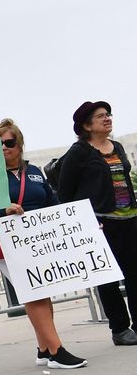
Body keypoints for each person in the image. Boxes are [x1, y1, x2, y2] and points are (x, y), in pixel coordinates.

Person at [0, 119, 86, 368]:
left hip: (38, 241)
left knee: (43, 292)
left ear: (19, 145)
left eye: (9, 142)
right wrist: (3, 209)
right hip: (8, 241)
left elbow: (51, 199)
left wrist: (72, 221)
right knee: (34, 293)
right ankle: (57, 350)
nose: (4, 148)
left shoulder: (34, 172)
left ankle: (44, 350)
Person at [58, 101, 137, 346]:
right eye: (101, 116)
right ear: (86, 125)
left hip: (130, 219)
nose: (107, 119)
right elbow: (65, 192)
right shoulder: (79, 152)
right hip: (102, 224)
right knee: (108, 278)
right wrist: (84, 222)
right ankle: (120, 329)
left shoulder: (118, 146)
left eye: (108, 114)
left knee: (135, 275)